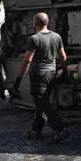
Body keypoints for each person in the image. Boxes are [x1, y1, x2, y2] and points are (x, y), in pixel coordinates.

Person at [12, 12, 69, 143]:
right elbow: (63, 57)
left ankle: (60, 130)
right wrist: (64, 71)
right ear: (47, 22)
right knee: (42, 103)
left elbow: (27, 60)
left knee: (43, 105)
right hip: (51, 73)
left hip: (39, 75)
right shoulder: (56, 37)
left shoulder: (34, 39)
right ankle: (35, 130)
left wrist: (17, 82)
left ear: (35, 24)